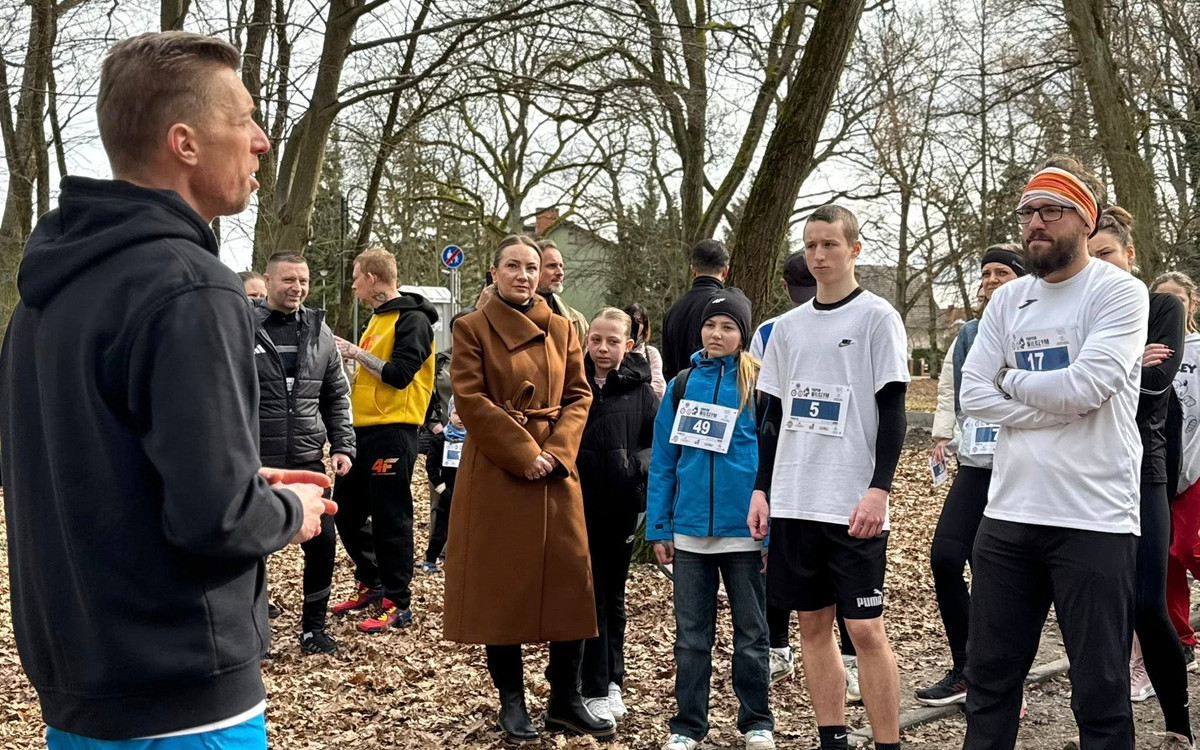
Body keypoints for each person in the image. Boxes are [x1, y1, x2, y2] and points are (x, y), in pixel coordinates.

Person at [0, 31, 332, 748]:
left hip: (78, 696)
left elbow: (95, 475)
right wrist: (285, 509)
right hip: (185, 701)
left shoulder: (41, 298)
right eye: (243, 118)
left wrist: (240, 478)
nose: (262, 141)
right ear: (185, 142)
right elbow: (214, 520)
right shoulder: (191, 286)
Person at [958, 157, 1149, 750]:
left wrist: (1009, 381)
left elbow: (1086, 389)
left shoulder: (1119, 292)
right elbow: (971, 394)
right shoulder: (1007, 299)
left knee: (1100, 690)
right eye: (1027, 212)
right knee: (988, 683)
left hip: (1094, 519)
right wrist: (1050, 401)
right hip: (1010, 515)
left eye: (1050, 211)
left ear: (1085, 221)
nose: (1034, 223)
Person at [749, 205, 909, 750]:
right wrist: (761, 489)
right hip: (795, 500)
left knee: (864, 629)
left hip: (852, 502)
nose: (819, 256)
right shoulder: (785, 329)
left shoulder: (877, 317)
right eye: (811, 245)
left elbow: (893, 411)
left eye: (830, 245)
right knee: (812, 627)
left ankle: (887, 741)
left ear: (854, 250)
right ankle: (832, 738)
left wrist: (879, 488)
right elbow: (770, 418)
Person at [443, 235, 613, 743]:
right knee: (503, 589)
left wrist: (557, 453)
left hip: (557, 474)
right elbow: (470, 398)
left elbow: (580, 395)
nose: (523, 275)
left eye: (531, 267)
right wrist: (523, 453)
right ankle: (512, 702)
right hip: (498, 470)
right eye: (513, 266)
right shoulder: (471, 327)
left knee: (570, 584)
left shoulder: (563, 328)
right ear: (494, 273)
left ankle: (565, 699)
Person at [649, 290, 776, 750]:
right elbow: (664, 459)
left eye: (727, 326)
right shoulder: (683, 384)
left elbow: (773, 462)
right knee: (691, 639)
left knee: (751, 636)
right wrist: (659, 526)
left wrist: (770, 534)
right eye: (710, 325)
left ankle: (757, 721)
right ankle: (687, 727)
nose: (716, 334)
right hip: (688, 534)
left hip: (744, 533)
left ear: (743, 334)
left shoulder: (760, 386)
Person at [1087, 208, 1192, 744]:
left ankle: (1179, 724)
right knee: (1106, 610)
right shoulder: (1081, 308)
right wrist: (1129, 362)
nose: (1098, 264)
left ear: (1130, 256)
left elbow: (1154, 387)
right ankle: (1110, 731)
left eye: (1107, 254)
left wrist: (1098, 372)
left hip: (1143, 469)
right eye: (1091, 254)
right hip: (1086, 473)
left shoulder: (1162, 306)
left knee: (1149, 605)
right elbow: (1072, 390)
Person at [917, 245, 1027, 706]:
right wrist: (944, 435)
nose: (990, 280)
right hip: (975, 462)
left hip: (1022, 468)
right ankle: (966, 667)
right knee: (945, 557)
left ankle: (1002, 677)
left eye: (1001, 272)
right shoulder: (968, 332)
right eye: (985, 274)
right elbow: (951, 388)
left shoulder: (1032, 330)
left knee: (995, 572)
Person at [748, 251, 861, 701]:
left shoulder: (864, 318)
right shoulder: (774, 331)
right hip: (793, 475)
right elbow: (766, 403)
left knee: (852, 596)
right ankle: (780, 647)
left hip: (843, 477)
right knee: (793, 583)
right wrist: (763, 480)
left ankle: (852, 662)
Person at [253, 252, 357, 655]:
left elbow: (336, 395)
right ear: (269, 279)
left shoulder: (320, 331)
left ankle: (313, 628)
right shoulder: (242, 327)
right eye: (288, 280)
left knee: (322, 542)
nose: (297, 288)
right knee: (252, 547)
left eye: (304, 281)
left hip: (307, 460)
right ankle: (256, 632)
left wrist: (343, 444)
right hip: (258, 461)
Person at [330, 248, 438, 633]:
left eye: (357, 277)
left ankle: (398, 600)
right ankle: (372, 581)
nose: (354, 284)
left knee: (391, 515)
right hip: (363, 430)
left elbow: (399, 375)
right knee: (343, 508)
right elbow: (368, 374)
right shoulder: (378, 319)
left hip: (395, 431)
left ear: (373, 278)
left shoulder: (413, 320)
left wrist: (356, 353)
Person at [577, 308, 660, 725]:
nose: (603, 349)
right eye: (596, 340)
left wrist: (634, 467)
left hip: (623, 506)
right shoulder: (572, 384)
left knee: (612, 594)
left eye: (612, 342)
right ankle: (589, 685)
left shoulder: (642, 392)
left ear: (628, 345)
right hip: (577, 505)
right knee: (588, 596)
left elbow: (657, 444)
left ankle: (611, 681)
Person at [1159, 272, 1200, 669]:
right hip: (1160, 467)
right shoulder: (1150, 348)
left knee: (1185, 548)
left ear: (1192, 303)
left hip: (1195, 466)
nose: (1172, 307)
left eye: (1178, 299)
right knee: (1166, 559)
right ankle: (1182, 637)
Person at [661, 239, 730, 381]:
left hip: (678, 393)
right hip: (715, 393)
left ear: (693, 270)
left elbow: (668, 367)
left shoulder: (674, 310)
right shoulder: (727, 309)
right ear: (725, 271)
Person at [421, 397, 466, 574]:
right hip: (446, 489)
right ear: (450, 414)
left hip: (466, 489)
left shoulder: (473, 440)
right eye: (456, 413)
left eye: (464, 414)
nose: (460, 418)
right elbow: (431, 466)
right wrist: (442, 489)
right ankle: (430, 559)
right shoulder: (440, 439)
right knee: (441, 527)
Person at [537, 239, 590, 343]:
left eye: (561, 266)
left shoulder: (577, 320)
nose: (560, 272)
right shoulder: (515, 313)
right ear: (533, 268)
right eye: (552, 266)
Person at [624, 303, 667, 398]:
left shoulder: (651, 353)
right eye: (630, 320)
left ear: (645, 326)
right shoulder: (616, 351)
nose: (634, 325)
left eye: (638, 321)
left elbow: (658, 388)